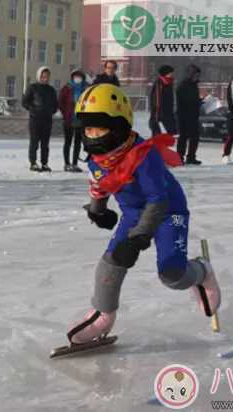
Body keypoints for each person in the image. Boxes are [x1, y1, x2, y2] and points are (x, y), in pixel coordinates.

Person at [65, 83, 221, 345]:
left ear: (118, 126)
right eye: (88, 129)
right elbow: (99, 184)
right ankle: (103, 314)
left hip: (168, 211)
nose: (92, 136)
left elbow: (157, 200)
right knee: (111, 262)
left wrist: (138, 239)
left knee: (172, 275)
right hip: (134, 212)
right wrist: (98, 211)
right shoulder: (96, 157)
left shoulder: (142, 156)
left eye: (99, 129)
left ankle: (201, 272)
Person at [22, 66, 59, 172]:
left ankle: (44, 163)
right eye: (43, 76)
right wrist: (32, 109)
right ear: (39, 76)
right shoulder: (32, 87)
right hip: (35, 119)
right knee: (34, 142)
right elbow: (25, 102)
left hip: (47, 120)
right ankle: (33, 163)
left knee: (45, 144)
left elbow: (55, 104)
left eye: (47, 77)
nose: (45, 78)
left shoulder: (51, 90)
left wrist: (51, 110)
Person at [59, 69, 88, 172]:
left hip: (81, 119)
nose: (77, 78)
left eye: (79, 76)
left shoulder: (86, 88)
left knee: (77, 143)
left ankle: (75, 164)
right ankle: (67, 164)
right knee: (67, 142)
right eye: (75, 76)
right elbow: (61, 101)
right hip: (69, 119)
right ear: (72, 77)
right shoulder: (67, 88)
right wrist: (65, 113)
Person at [176, 64, 203, 165]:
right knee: (183, 137)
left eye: (198, 75)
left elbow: (192, 99)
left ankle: (191, 157)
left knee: (195, 137)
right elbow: (184, 100)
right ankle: (179, 157)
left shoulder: (194, 85)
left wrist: (199, 101)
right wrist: (197, 101)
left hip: (193, 115)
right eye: (196, 75)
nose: (197, 77)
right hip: (183, 115)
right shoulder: (183, 85)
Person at [149, 65, 177, 137]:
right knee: (156, 125)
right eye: (170, 73)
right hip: (160, 109)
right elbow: (157, 97)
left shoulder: (169, 82)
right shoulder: (159, 82)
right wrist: (157, 109)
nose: (171, 74)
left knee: (170, 127)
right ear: (165, 73)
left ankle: (168, 138)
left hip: (168, 109)